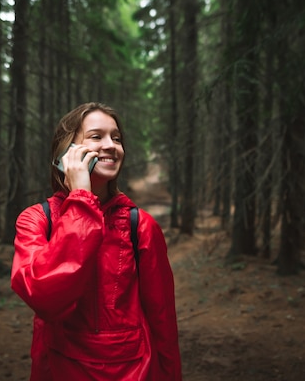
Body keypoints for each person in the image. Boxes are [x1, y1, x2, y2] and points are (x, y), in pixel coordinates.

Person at [11, 102, 182, 380]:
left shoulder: (141, 226)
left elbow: (163, 325)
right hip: (58, 369)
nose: (111, 145)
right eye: (96, 136)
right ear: (67, 151)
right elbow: (45, 296)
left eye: (116, 138)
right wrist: (80, 199)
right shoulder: (36, 221)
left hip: (133, 373)